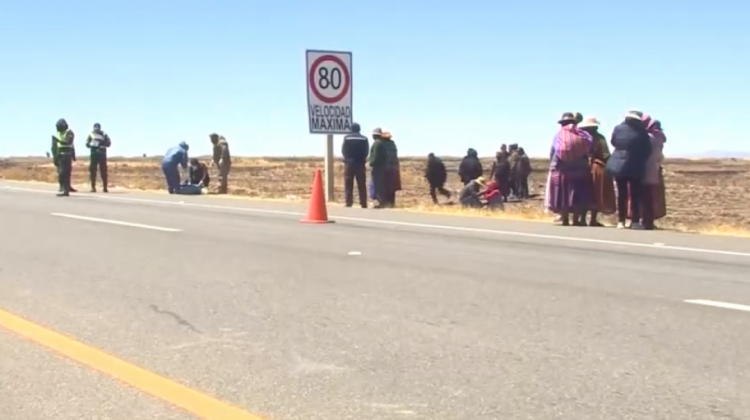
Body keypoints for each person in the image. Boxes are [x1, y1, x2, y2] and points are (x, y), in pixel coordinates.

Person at [606, 110, 652, 229]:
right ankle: (635, 221)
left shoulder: (617, 129)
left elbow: (613, 142)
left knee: (622, 194)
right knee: (635, 194)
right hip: (636, 164)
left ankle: (621, 220)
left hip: (618, 164)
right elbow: (647, 149)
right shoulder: (642, 132)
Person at [546, 112, 594, 226]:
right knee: (578, 194)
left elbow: (553, 153)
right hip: (580, 170)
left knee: (563, 195)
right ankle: (576, 219)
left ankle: (565, 218)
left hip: (563, 169)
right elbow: (589, 149)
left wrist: (553, 168)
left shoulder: (558, 136)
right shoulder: (583, 135)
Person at [578, 117, 616, 226]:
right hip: (596, 167)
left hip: (582, 167)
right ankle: (592, 219)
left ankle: (582, 218)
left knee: (585, 193)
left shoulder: (580, 138)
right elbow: (605, 155)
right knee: (596, 193)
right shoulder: (599, 138)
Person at [637, 114, 667, 229]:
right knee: (651, 195)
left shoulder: (645, 137)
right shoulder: (658, 137)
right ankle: (649, 220)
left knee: (641, 195)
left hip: (642, 169)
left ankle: (641, 219)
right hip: (654, 170)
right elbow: (660, 155)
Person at [341, 122, 369, 208]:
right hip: (360, 163)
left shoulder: (347, 138)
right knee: (361, 184)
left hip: (349, 163)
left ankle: (348, 202)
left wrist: (346, 158)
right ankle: (363, 203)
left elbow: (343, 150)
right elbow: (366, 151)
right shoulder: (364, 139)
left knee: (348, 184)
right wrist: (363, 159)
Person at [51, 118, 76, 197]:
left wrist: (73, 155)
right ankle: (63, 187)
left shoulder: (69, 132)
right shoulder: (57, 134)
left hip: (67, 155)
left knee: (65, 173)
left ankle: (66, 190)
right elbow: (53, 147)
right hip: (59, 155)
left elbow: (69, 142)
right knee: (61, 173)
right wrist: (54, 156)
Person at [86, 123, 111, 193]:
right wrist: (91, 144)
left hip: (102, 154)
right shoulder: (91, 134)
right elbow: (87, 144)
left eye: (98, 127)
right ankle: (93, 187)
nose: (96, 129)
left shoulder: (104, 134)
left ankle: (105, 187)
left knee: (103, 171)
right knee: (92, 171)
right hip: (93, 154)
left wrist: (101, 142)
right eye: (95, 127)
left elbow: (109, 143)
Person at [381, 131, 401, 207]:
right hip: (394, 167)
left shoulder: (383, 145)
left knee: (386, 185)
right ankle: (392, 203)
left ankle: (386, 203)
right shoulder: (393, 144)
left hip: (387, 167)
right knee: (392, 187)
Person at [368, 128, 387, 207]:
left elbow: (375, 156)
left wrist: (371, 163)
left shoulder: (377, 143)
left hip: (377, 167)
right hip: (381, 167)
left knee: (376, 184)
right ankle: (380, 201)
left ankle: (378, 202)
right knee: (379, 184)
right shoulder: (381, 143)